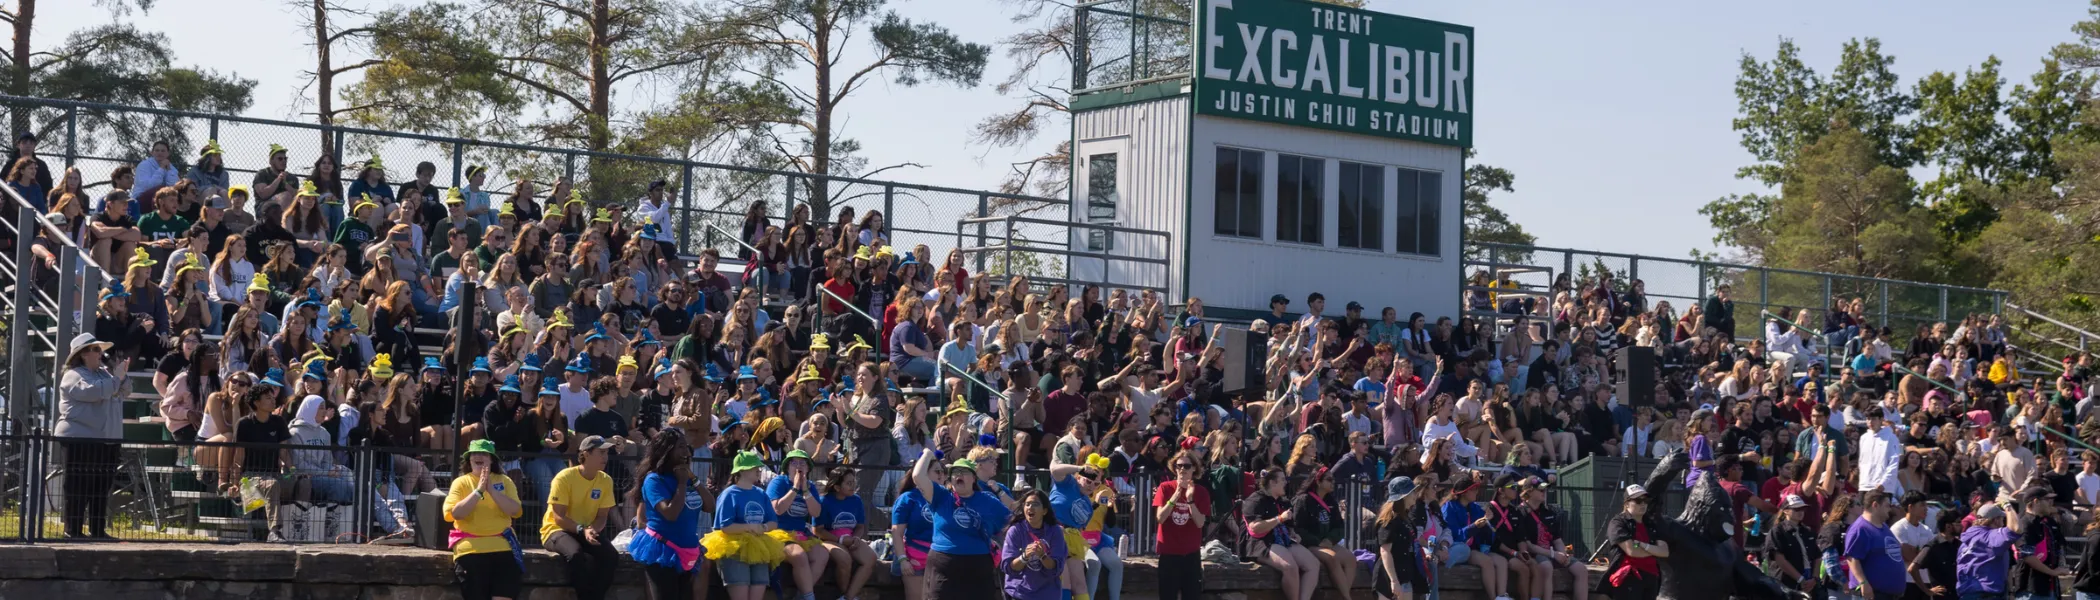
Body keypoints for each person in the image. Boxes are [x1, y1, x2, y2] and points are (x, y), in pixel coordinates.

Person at [912, 446, 1012, 600]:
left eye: (964, 472)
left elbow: (1012, 522)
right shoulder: (941, 496)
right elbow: (918, 476)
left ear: (973, 478)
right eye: (955, 472)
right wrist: (927, 454)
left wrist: (1000, 543)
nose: (959, 475)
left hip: (978, 568)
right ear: (950, 479)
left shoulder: (987, 500)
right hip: (943, 566)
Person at [55, 333, 127, 539]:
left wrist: (120, 374)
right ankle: (73, 530)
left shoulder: (105, 374)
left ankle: (98, 530)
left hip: (106, 439)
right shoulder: (74, 375)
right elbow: (93, 393)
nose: (100, 353)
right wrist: (115, 379)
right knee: (79, 485)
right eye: (95, 350)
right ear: (83, 354)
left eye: (99, 349)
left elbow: (124, 390)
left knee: (101, 486)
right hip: (80, 439)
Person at [445, 439, 526, 600]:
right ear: (469, 460)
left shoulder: (505, 481)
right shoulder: (460, 482)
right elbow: (455, 514)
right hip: (471, 550)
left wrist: (491, 491)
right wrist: (478, 491)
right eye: (474, 453)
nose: (478, 456)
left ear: (491, 459)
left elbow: (516, 511)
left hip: (503, 547)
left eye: (483, 453)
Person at [542, 435, 620, 600]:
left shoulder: (606, 480)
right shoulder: (564, 477)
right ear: (586, 454)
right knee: (576, 554)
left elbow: (602, 516)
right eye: (601, 452)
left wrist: (592, 530)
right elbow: (558, 517)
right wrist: (581, 530)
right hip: (556, 530)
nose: (605, 457)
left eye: (607, 453)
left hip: (586, 530)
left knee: (611, 555)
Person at [1245, 468, 1320, 600]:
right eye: (1283, 480)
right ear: (1273, 483)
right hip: (1262, 542)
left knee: (1313, 564)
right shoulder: (1255, 500)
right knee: (1290, 567)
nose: (1286, 482)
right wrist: (1279, 519)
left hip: (1284, 540)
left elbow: (1290, 527)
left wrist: (1294, 534)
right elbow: (1255, 528)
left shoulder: (1283, 501)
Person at [768, 449, 831, 600]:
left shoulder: (811, 486)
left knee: (822, 554)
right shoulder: (778, 482)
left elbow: (816, 513)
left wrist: (805, 491)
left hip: (801, 534)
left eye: (802, 462)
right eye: (794, 462)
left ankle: (801, 596)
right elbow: (777, 509)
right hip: (778, 533)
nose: (798, 466)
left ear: (808, 468)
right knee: (799, 555)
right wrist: (795, 488)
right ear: (787, 466)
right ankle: (810, 597)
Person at [1154, 450, 1212, 600]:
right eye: (1179, 466)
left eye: (1187, 466)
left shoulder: (1201, 492)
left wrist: (1190, 500)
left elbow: (1200, 523)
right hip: (1168, 552)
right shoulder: (1165, 488)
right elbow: (1160, 518)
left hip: (1191, 554)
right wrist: (1175, 496)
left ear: (1194, 468)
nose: (1182, 470)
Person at [815, 466, 878, 600]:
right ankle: (844, 593)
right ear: (837, 487)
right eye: (849, 483)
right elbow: (818, 530)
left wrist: (856, 538)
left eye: (854, 482)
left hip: (851, 538)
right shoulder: (824, 501)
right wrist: (841, 540)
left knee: (871, 558)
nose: (853, 485)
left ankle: (848, 597)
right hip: (829, 540)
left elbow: (860, 526)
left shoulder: (856, 500)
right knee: (844, 559)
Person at [1002, 488, 1070, 600]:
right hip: (1019, 594)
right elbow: (1008, 567)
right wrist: (1024, 557)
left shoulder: (1055, 531)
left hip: (1047, 594)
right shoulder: (1015, 531)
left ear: (1044, 511)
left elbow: (1056, 568)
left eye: (1035, 504)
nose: (1030, 507)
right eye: (1027, 504)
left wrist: (1043, 556)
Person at [1602, 485, 1667, 600]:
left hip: (1652, 576)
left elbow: (1664, 551)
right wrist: (1653, 550)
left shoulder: (1651, 524)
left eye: (1645, 500)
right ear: (1626, 504)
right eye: (1638, 501)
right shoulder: (1618, 522)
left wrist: (1642, 545)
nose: (1643, 504)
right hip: (1628, 576)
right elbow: (1632, 550)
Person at [1375, 476, 1431, 600]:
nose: (1415, 495)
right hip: (1388, 579)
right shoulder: (1388, 521)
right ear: (1404, 496)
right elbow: (1385, 551)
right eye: (1412, 492)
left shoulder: (1406, 518)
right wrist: (1393, 581)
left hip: (1405, 575)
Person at [1845, 491, 1907, 600]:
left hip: (1890, 595)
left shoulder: (1883, 526)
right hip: (1872, 595)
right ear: (1875, 505)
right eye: (1887, 506)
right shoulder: (1860, 529)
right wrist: (1863, 583)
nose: (1890, 509)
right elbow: (1852, 558)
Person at [2009, 487, 2068, 600]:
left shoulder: (2049, 521)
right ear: (2036, 501)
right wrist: (2052, 572)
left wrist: (2061, 565)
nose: (2051, 503)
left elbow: (2061, 544)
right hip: (2031, 589)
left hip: (2051, 588)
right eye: (2047, 499)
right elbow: (2027, 556)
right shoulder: (2025, 523)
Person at [1956, 500, 2018, 600]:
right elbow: (2015, 528)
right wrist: (2007, 505)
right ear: (1995, 520)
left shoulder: (1966, 541)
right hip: (1987, 595)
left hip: (1967, 594)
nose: (2003, 523)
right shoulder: (1992, 537)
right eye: (2002, 519)